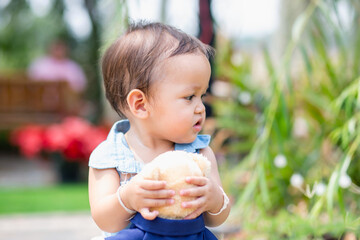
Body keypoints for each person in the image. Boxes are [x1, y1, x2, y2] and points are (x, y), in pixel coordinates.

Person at [88, 21, 230, 239]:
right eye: (189, 97)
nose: (201, 108)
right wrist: (128, 198)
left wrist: (214, 199)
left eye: (202, 96)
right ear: (141, 104)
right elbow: (104, 219)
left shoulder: (199, 153)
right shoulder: (110, 157)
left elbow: (218, 217)